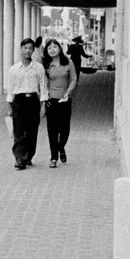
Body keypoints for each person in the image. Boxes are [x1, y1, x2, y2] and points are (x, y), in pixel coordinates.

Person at [6, 37, 47, 170]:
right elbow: (11, 89)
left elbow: (43, 86)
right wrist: (9, 106)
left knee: (31, 131)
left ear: (33, 50)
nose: (27, 51)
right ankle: (20, 158)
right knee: (18, 131)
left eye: (30, 48)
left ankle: (28, 156)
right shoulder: (13, 69)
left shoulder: (38, 68)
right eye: (25, 48)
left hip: (33, 101)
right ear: (21, 49)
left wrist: (43, 105)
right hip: (19, 101)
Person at [41, 38, 77, 167]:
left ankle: (61, 147)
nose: (52, 49)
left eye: (54, 47)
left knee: (65, 129)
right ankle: (53, 157)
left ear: (60, 48)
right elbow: (43, 83)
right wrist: (45, 99)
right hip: (51, 100)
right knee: (52, 130)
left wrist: (68, 92)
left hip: (65, 100)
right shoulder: (45, 65)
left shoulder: (68, 62)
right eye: (49, 48)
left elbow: (73, 79)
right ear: (46, 50)